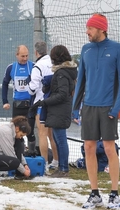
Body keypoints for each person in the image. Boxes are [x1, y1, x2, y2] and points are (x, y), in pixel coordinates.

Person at [72, 13, 120, 209]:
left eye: (90, 28)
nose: (86, 31)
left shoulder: (118, 50)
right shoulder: (85, 49)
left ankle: (114, 193)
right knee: (88, 148)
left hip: (108, 108)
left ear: (101, 29)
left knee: (108, 148)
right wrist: (75, 107)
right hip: (88, 106)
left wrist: (116, 107)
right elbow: (81, 81)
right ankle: (94, 193)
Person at [31, 45, 78, 177]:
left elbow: (62, 93)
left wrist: (45, 101)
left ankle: (64, 169)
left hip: (60, 110)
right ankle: (61, 168)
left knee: (61, 140)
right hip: (59, 110)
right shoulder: (64, 71)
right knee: (57, 139)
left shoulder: (62, 73)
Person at [27, 41, 59, 174]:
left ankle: (44, 164)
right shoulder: (54, 63)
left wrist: (29, 87)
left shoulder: (37, 66)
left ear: (36, 52)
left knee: (42, 134)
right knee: (52, 135)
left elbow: (32, 89)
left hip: (42, 103)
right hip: (55, 102)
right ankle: (56, 161)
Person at [1, 45, 37, 155]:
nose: (25, 58)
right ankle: (17, 154)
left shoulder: (33, 66)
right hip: (17, 105)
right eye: (22, 56)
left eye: (26, 56)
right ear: (17, 55)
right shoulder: (11, 68)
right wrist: (5, 101)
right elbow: (5, 84)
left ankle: (31, 151)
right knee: (16, 131)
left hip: (30, 104)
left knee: (29, 131)